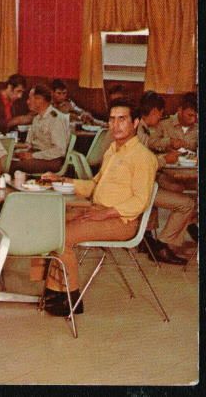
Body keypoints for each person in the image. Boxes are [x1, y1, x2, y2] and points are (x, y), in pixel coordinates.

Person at [40, 98, 157, 316]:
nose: (115, 125)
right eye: (112, 120)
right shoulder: (112, 150)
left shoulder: (143, 157)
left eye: (122, 119)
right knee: (49, 224)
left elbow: (140, 201)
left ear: (136, 123)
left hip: (122, 222)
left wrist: (105, 214)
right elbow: (94, 185)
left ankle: (71, 298)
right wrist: (63, 179)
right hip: (99, 211)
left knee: (63, 237)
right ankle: (54, 290)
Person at [135, 92, 195, 264]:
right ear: (154, 111)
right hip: (140, 188)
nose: (161, 117)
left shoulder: (141, 128)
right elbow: (142, 163)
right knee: (187, 204)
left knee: (173, 187)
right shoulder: (139, 132)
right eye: (160, 113)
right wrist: (164, 160)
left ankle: (146, 237)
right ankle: (163, 246)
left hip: (144, 183)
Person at [10, 84, 68, 174]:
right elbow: (29, 144)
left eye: (30, 99)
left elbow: (59, 150)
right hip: (37, 155)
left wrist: (33, 156)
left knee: (13, 165)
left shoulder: (56, 119)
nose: (27, 102)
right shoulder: (36, 118)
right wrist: (20, 152)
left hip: (51, 160)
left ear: (39, 100)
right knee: (7, 160)